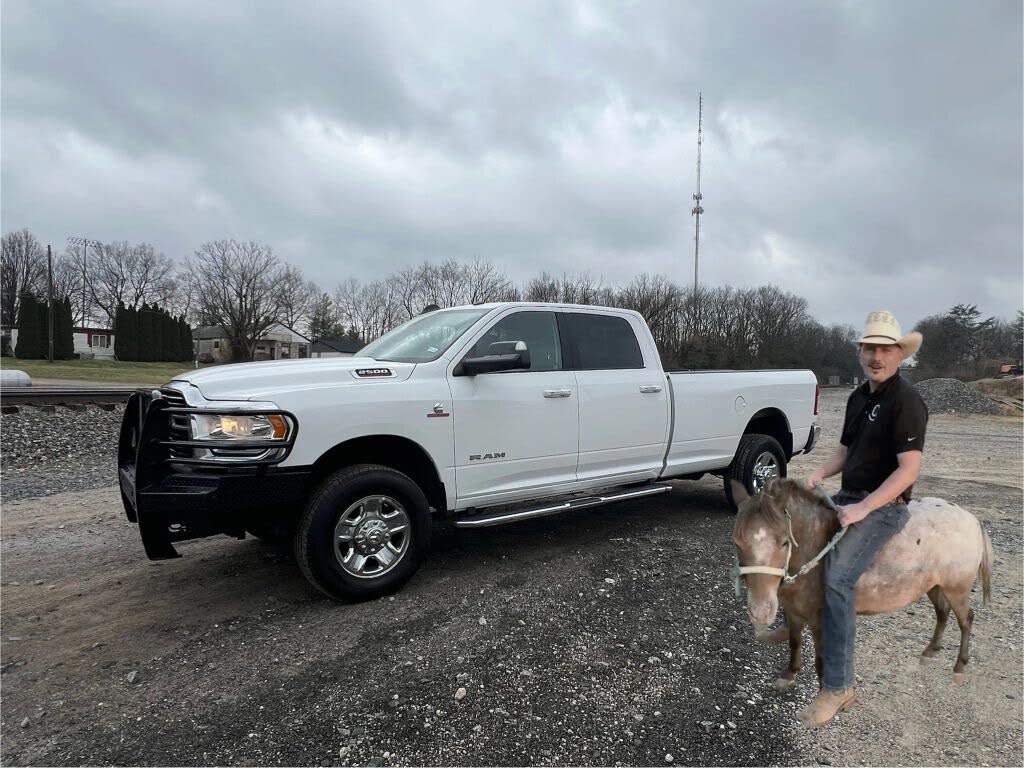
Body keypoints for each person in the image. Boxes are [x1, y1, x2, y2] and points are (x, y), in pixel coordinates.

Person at [798, 310, 928, 728]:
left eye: (885, 349)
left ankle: (838, 687)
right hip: (849, 495)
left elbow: (908, 471)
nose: (876, 356)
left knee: (837, 578)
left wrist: (864, 507)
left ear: (899, 355)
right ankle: (791, 625)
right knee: (794, 539)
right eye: (870, 348)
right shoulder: (858, 398)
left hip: (884, 507)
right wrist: (818, 474)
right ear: (861, 354)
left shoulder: (906, 401)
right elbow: (846, 453)